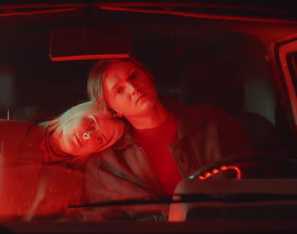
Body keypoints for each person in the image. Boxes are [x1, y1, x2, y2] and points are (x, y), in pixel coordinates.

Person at [84, 57, 252, 205]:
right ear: (112, 109)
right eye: (119, 90)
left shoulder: (214, 121)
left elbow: (253, 184)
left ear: (149, 76)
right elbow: (105, 226)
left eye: (134, 76)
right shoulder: (105, 165)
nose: (133, 88)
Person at [0, 101, 124, 221]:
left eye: (100, 139)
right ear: (74, 113)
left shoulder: (82, 179)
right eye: (91, 121)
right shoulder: (2, 133)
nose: (89, 135)